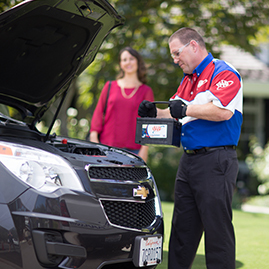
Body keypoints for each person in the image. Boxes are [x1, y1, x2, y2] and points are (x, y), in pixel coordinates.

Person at [138, 27, 243, 269]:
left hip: (216, 161)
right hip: (189, 163)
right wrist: (154, 112)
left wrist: (184, 110)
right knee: (182, 230)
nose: (175, 60)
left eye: (177, 53)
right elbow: (176, 113)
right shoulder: (188, 79)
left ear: (193, 45)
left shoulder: (224, 72)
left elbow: (222, 111)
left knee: (217, 232)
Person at [89, 47, 154, 162]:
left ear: (138, 62)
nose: (128, 62)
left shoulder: (146, 91)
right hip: (107, 148)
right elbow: (98, 114)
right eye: (124, 60)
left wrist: (145, 149)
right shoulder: (109, 86)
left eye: (131, 59)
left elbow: (149, 122)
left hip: (134, 151)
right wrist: (95, 142)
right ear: (120, 64)